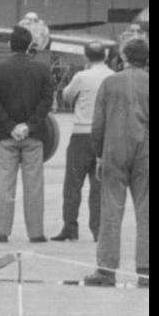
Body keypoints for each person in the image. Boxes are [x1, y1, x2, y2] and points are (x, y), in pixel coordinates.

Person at [84, 37, 148, 287]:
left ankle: (106, 270)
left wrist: (99, 154)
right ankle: (146, 270)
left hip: (114, 148)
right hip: (146, 151)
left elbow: (97, 124)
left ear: (123, 57)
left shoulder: (110, 82)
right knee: (146, 211)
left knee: (111, 210)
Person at [0, 25, 55, 243]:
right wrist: (29, 126)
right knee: (34, 186)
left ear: (9, 45)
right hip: (33, 137)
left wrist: (11, 126)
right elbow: (46, 101)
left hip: (6, 137)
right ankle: (36, 233)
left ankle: (1, 232)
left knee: (5, 184)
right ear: (30, 46)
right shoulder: (42, 70)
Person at [55, 41, 113, 242]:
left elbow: (66, 95)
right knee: (98, 187)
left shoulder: (81, 76)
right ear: (106, 56)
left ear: (86, 57)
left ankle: (70, 228)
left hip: (81, 135)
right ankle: (98, 230)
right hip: (104, 135)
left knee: (73, 185)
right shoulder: (112, 76)